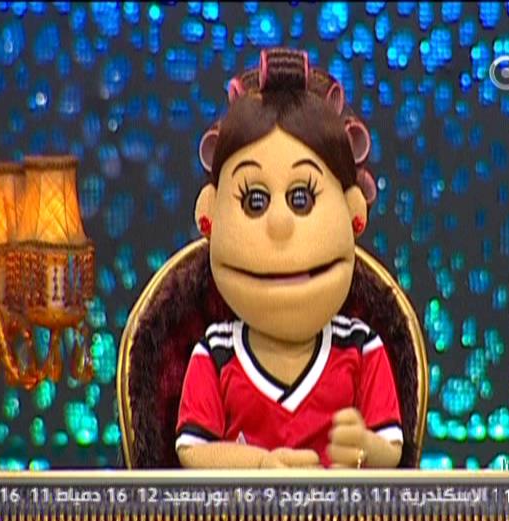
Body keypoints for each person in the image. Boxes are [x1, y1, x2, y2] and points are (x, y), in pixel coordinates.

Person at [174, 48, 407, 469]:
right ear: (209, 213)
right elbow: (194, 451)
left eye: (302, 198)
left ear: (354, 212)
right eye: (254, 200)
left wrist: (363, 447)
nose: (279, 223)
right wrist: (261, 467)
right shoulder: (216, 351)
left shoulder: (360, 347)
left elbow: (390, 449)